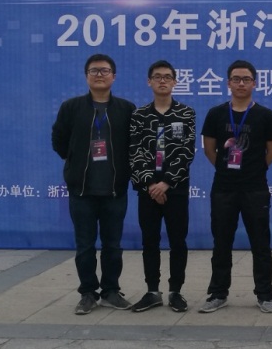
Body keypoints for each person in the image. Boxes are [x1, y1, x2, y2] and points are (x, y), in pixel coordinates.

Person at [51, 53, 136, 315]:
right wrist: (75, 163)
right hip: (82, 190)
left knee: (113, 245)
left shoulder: (126, 109)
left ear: (114, 76)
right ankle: (88, 293)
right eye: (94, 70)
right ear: (86, 76)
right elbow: (59, 140)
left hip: (114, 189)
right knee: (85, 246)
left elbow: (134, 146)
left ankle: (111, 291)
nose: (99, 75)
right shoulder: (71, 107)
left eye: (105, 70)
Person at [198, 60, 272, 314]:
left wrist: (254, 170)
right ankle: (218, 293)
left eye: (246, 79)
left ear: (254, 83)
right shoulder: (216, 114)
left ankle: (265, 294)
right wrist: (226, 169)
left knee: (261, 243)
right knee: (221, 243)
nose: (241, 83)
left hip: (255, 188)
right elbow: (209, 149)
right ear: (228, 83)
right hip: (223, 188)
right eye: (236, 79)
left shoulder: (266, 115)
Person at [128, 60, 196, 313]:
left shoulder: (186, 113)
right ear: (149, 82)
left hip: (175, 188)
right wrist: (151, 184)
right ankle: (152, 291)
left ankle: (176, 291)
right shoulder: (139, 115)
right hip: (147, 190)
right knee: (150, 241)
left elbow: (186, 151)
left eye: (167, 77)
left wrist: (166, 183)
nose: (162, 81)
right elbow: (135, 151)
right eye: (157, 77)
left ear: (175, 82)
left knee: (178, 241)